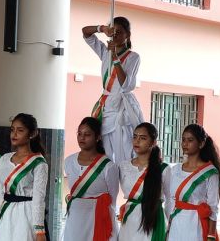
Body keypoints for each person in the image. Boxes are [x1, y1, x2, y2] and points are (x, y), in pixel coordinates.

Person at [82, 16, 144, 162]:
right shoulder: (105, 52)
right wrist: (102, 29)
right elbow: (85, 33)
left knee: (123, 149)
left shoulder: (133, 57)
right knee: (104, 151)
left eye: (119, 32)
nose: (115, 35)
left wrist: (115, 58)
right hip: (105, 105)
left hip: (121, 107)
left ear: (127, 35)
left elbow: (126, 85)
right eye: (113, 31)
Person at [166, 124, 220, 241]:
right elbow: (171, 201)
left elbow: (213, 207)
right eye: (183, 140)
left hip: (196, 225)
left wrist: (211, 236)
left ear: (201, 144)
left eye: (190, 140)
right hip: (176, 223)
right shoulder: (175, 170)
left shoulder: (210, 172)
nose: (185, 144)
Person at [0, 113, 48, 241]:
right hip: (5, 214)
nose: (14, 134)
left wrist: (40, 231)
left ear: (32, 134)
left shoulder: (39, 163)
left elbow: (39, 198)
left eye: (20, 130)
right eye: (12, 130)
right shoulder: (4, 159)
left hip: (26, 215)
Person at [63, 117, 119, 241]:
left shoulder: (108, 166)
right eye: (79, 134)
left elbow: (113, 198)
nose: (82, 138)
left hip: (98, 217)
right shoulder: (68, 161)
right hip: (75, 217)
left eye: (87, 134)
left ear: (98, 137)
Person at [118, 122, 171, 241]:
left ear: (153, 142)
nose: (137, 141)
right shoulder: (123, 166)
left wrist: (169, 224)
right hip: (129, 220)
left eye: (143, 138)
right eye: (135, 137)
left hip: (152, 219)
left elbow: (170, 199)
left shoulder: (163, 169)